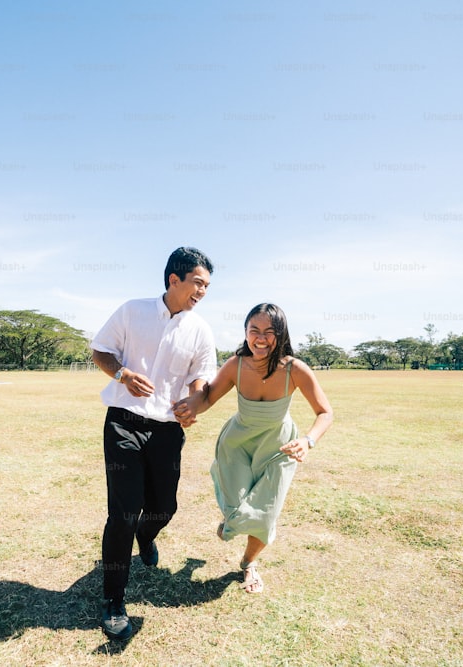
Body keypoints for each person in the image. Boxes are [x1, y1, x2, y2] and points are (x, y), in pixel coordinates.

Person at [89, 247, 217, 640]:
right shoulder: (133, 311)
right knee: (123, 514)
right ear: (173, 279)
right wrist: (123, 374)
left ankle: (146, 536)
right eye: (198, 282)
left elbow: (200, 377)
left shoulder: (201, 330)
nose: (202, 292)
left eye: (207, 286)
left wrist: (193, 403)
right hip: (124, 424)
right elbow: (100, 351)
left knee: (164, 508)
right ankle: (113, 601)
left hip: (166, 431)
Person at [173, 303, 333, 593]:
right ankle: (233, 518)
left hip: (279, 447)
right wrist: (190, 407)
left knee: (266, 513)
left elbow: (325, 412)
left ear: (281, 335)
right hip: (237, 445)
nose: (261, 338)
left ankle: (248, 564)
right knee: (237, 508)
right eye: (254, 331)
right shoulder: (236, 364)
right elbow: (208, 398)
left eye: (270, 332)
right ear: (245, 332)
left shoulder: (294, 369)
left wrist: (308, 440)